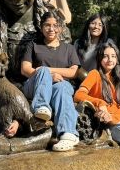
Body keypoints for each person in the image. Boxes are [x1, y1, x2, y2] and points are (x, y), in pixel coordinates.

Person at [21, 12, 81, 152]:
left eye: (55, 25)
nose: (51, 29)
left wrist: (50, 71)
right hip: (35, 85)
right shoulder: (34, 45)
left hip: (59, 87)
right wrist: (47, 75)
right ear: (42, 27)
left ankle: (68, 135)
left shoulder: (69, 48)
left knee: (62, 87)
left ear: (60, 29)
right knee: (41, 71)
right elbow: (25, 69)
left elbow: (73, 72)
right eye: (47, 25)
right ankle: (42, 107)